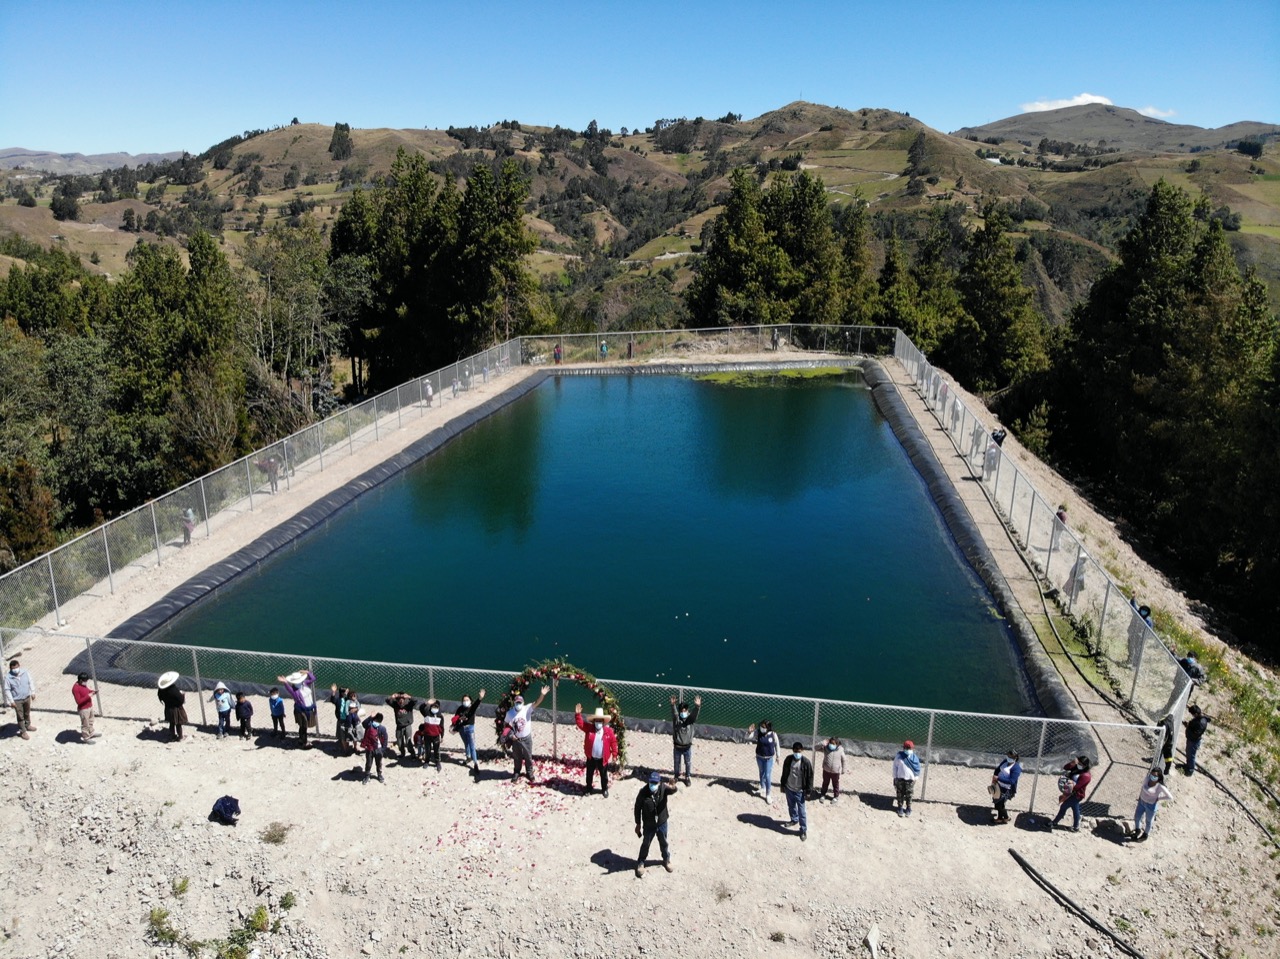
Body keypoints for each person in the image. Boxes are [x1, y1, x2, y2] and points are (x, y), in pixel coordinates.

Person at [634, 771, 678, 877]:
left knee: (664, 842)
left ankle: (667, 860)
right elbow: (637, 808)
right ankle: (641, 862)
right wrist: (638, 823)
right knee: (646, 843)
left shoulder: (663, 788)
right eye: (651, 782)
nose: (653, 785)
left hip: (662, 822)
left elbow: (673, 790)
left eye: (655, 783)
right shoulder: (643, 792)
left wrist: (674, 786)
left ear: (659, 782)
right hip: (649, 824)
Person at [504, 686, 550, 782]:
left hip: (526, 739)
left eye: (520, 703)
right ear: (514, 703)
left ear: (523, 703)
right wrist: (510, 735)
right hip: (515, 739)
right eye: (517, 703)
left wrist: (542, 694)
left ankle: (529, 772)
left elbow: (537, 702)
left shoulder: (527, 709)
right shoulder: (510, 713)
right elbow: (506, 725)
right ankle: (516, 772)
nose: (518, 704)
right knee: (517, 757)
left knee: (528, 756)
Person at [574, 704, 619, 796]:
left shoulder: (608, 731)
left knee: (604, 776)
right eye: (596, 721)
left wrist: (614, 754)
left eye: (600, 721)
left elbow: (613, 742)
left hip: (603, 759)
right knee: (589, 775)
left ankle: (604, 789)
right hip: (591, 758)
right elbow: (581, 724)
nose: (598, 722)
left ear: (603, 722)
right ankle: (589, 788)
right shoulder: (589, 729)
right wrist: (578, 715)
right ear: (594, 721)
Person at [1048, 756, 1092, 832]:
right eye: (1079, 763)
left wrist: (1066, 789)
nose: (1079, 765)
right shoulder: (1076, 768)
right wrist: (1072, 763)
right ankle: (1076, 827)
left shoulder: (1086, 776)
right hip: (1072, 793)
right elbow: (1066, 767)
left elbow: (1077, 787)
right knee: (1075, 810)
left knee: (1063, 807)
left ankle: (1054, 823)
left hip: (1076, 795)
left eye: (1081, 765)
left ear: (1085, 766)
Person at [780, 742, 814, 841]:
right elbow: (784, 772)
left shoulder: (806, 762)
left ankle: (803, 830)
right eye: (795, 751)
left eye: (798, 751)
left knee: (802, 812)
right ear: (792, 750)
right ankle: (794, 819)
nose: (797, 753)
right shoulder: (788, 759)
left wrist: (808, 791)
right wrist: (782, 785)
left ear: (802, 750)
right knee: (791, 806)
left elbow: (809, 778)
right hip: (789, 788)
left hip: (800, 791)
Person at [1130, 768, 1173, 842]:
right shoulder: (1147, 779)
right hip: (1141, 802)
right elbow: (1142, 787)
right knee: (1137, 817)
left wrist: (1158, 798)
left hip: (1151, 806)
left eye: (1155, 776)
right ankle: (1138, 830)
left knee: (1148, 821)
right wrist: (1140, 797)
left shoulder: (1160, 786)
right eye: (1152, 775)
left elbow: (1170, 797)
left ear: (1159, 777)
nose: (1153, 777)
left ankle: (1145, 835)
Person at [278, 670, 317, 748]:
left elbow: (313, 679)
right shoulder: (294, 691)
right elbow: (288, 687)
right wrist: (285, 682)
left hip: (308, 709)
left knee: (303, 726)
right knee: (303, 726)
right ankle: (304, 742)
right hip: (301, 711)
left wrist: (307, 672)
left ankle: (301, 740)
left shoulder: (304, 684)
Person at [452, 688, 486, 779]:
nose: (465, 701)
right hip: (461, 729)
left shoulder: (472, 708)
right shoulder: (460, 708)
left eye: (467, 700)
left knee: (472, 746)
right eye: (464, 700)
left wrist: (480, 698)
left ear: (470, 701)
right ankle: (468, 758)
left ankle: (475, 763)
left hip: (470, 728)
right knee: (466, 743)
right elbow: (455, 718)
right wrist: (458, 721)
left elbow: (477, 703)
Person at [669, 694, 702, 785]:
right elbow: (674, 714)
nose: (684, 712)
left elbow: (695, 714)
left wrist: (697, 706)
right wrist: (673, 705)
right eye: (682, 710)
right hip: (677, 747)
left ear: (687, 711)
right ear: (679, 711)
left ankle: (687, 777)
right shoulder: (677, 720)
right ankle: (676, 776)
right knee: (676, 762)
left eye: (685, 710)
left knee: (687, 763)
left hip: (687, 747)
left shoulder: (690, 720)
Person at [746, 720, 780, 805]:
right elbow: (748, 737)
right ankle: (762, 787)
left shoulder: (773, 734)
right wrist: (749, 731)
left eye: (764, 727)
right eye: (761, 726)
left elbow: (777, 745)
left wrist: (778, 756)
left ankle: (768, 794)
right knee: (761, 772)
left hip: (769, 759)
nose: (762, 728)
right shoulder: (758, 732)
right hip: (759, 757)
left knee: (768, 775)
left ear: (768, 728)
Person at [4, 659, 37, 740]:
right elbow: (7, 690)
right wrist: (11, 701)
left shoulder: (25, 672)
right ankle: (23, 731)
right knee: (20, 716)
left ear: (19, 665)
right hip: (17, 700)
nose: (16, 669)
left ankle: (27, 725)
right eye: (13, 668)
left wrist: (32, 692)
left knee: (27, 713)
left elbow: (30, 681)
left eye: (16, 667)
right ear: (10, 669)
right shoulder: (8, 678)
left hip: (26, 697)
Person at [991, 750, 1022, 824]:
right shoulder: (1005, 761)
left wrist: (998, 778)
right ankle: (1004, 818)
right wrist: (995, 778)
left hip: (1007, 789)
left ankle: (1002, 818)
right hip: (998, 785)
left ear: (1015, 758)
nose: (1008, 758)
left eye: (1010, 757)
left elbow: (1012, 781)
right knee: (998, 803)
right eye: (1008, 756)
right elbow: (997, 769)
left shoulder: (1016, 768)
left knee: (999, 804)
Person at [892, 740, 921, 817]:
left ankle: (908, 808)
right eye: (906, 748)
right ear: (903, 748)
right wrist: (895, 777)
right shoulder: (899, 756)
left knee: (909, 795)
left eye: (909, 748)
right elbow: (895, 767)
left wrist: (916, 777)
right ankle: (900, 807)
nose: (908, 750)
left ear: (912, 749)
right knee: (900, 793)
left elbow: (917, 768)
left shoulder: (915, 758)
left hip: (910, 780)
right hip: (900, 779)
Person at [386, 691, 417, 760]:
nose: (401, 700)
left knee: (408, 741)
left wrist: (409, 696)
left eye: (402, 699)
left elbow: (415, 701)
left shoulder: (408, 705)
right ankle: (402, 753)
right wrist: (392, 696)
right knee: (399, 742)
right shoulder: (395, 705)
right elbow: (387, 700)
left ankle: (412, 754)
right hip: (399, 726)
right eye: (399, 699)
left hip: (407, 726)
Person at [157, 671, 186, 741]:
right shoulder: (173, 689)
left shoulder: (161, 690)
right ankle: (180, 736)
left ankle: (172, 736)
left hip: (168, 707)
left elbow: (160, 697)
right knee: (178, 724)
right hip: (176, 708)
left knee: (171, 723)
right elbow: (181, 700)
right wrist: (183, 695)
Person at [361, 712, 388, 784]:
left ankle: (379, 775)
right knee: (368, 763)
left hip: (378, 749)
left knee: (379, 763)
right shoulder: (369, 726)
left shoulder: (382, 729)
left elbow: (385, 739)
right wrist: (370, 717)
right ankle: (367, 775)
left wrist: (383, 749)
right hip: (369, 748)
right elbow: (363, 724)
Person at [71, 672, 99, 743]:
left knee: (91, 721)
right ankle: (86, 738)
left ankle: (91, 733)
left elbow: (86, 691)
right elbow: (79, 701)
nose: (86, 683)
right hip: (83, 709)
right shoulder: (75, 688)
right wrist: (88, 696)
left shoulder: (82, 685)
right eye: (85, 681)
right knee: (85, 724)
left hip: (89, 706)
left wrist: (92, 692)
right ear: (80, 680)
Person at [418, 699, 445, 770]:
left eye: (436, 707)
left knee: (437, 750)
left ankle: (437, 762)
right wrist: (426, 703)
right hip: (427, 736)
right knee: (428, 750)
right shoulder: (427, 713)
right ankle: (427, 761)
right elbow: (420, 708)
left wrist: (442, 736)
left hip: (436, 736)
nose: (435, 708)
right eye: (433, 706)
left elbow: (442, 727)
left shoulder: (440, 716)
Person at [1184, 704, 1210, 776]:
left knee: (1191, 756)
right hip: (1192, 740)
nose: (1192, 716)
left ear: (1195, 714)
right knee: (1189, 754)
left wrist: (1188, 727)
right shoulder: (1199, 719)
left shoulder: (1201, 723)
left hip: (1193, 741)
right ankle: (1188, 766)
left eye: (1192, 714)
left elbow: (1195, 734)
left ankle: (1190, 771)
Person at [818, 737, 845, 803]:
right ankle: (823, 795)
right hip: (826, 770)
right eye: (830, 743)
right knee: (825, 783)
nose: (831, 745)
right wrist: (822, 743)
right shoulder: (825, 748)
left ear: (837, 744)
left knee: (835, 784)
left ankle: (835, 797)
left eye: (833, 743)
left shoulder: (840, 750)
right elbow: (815, 747)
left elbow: (844, 759)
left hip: (835, 772)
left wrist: (843, 769)